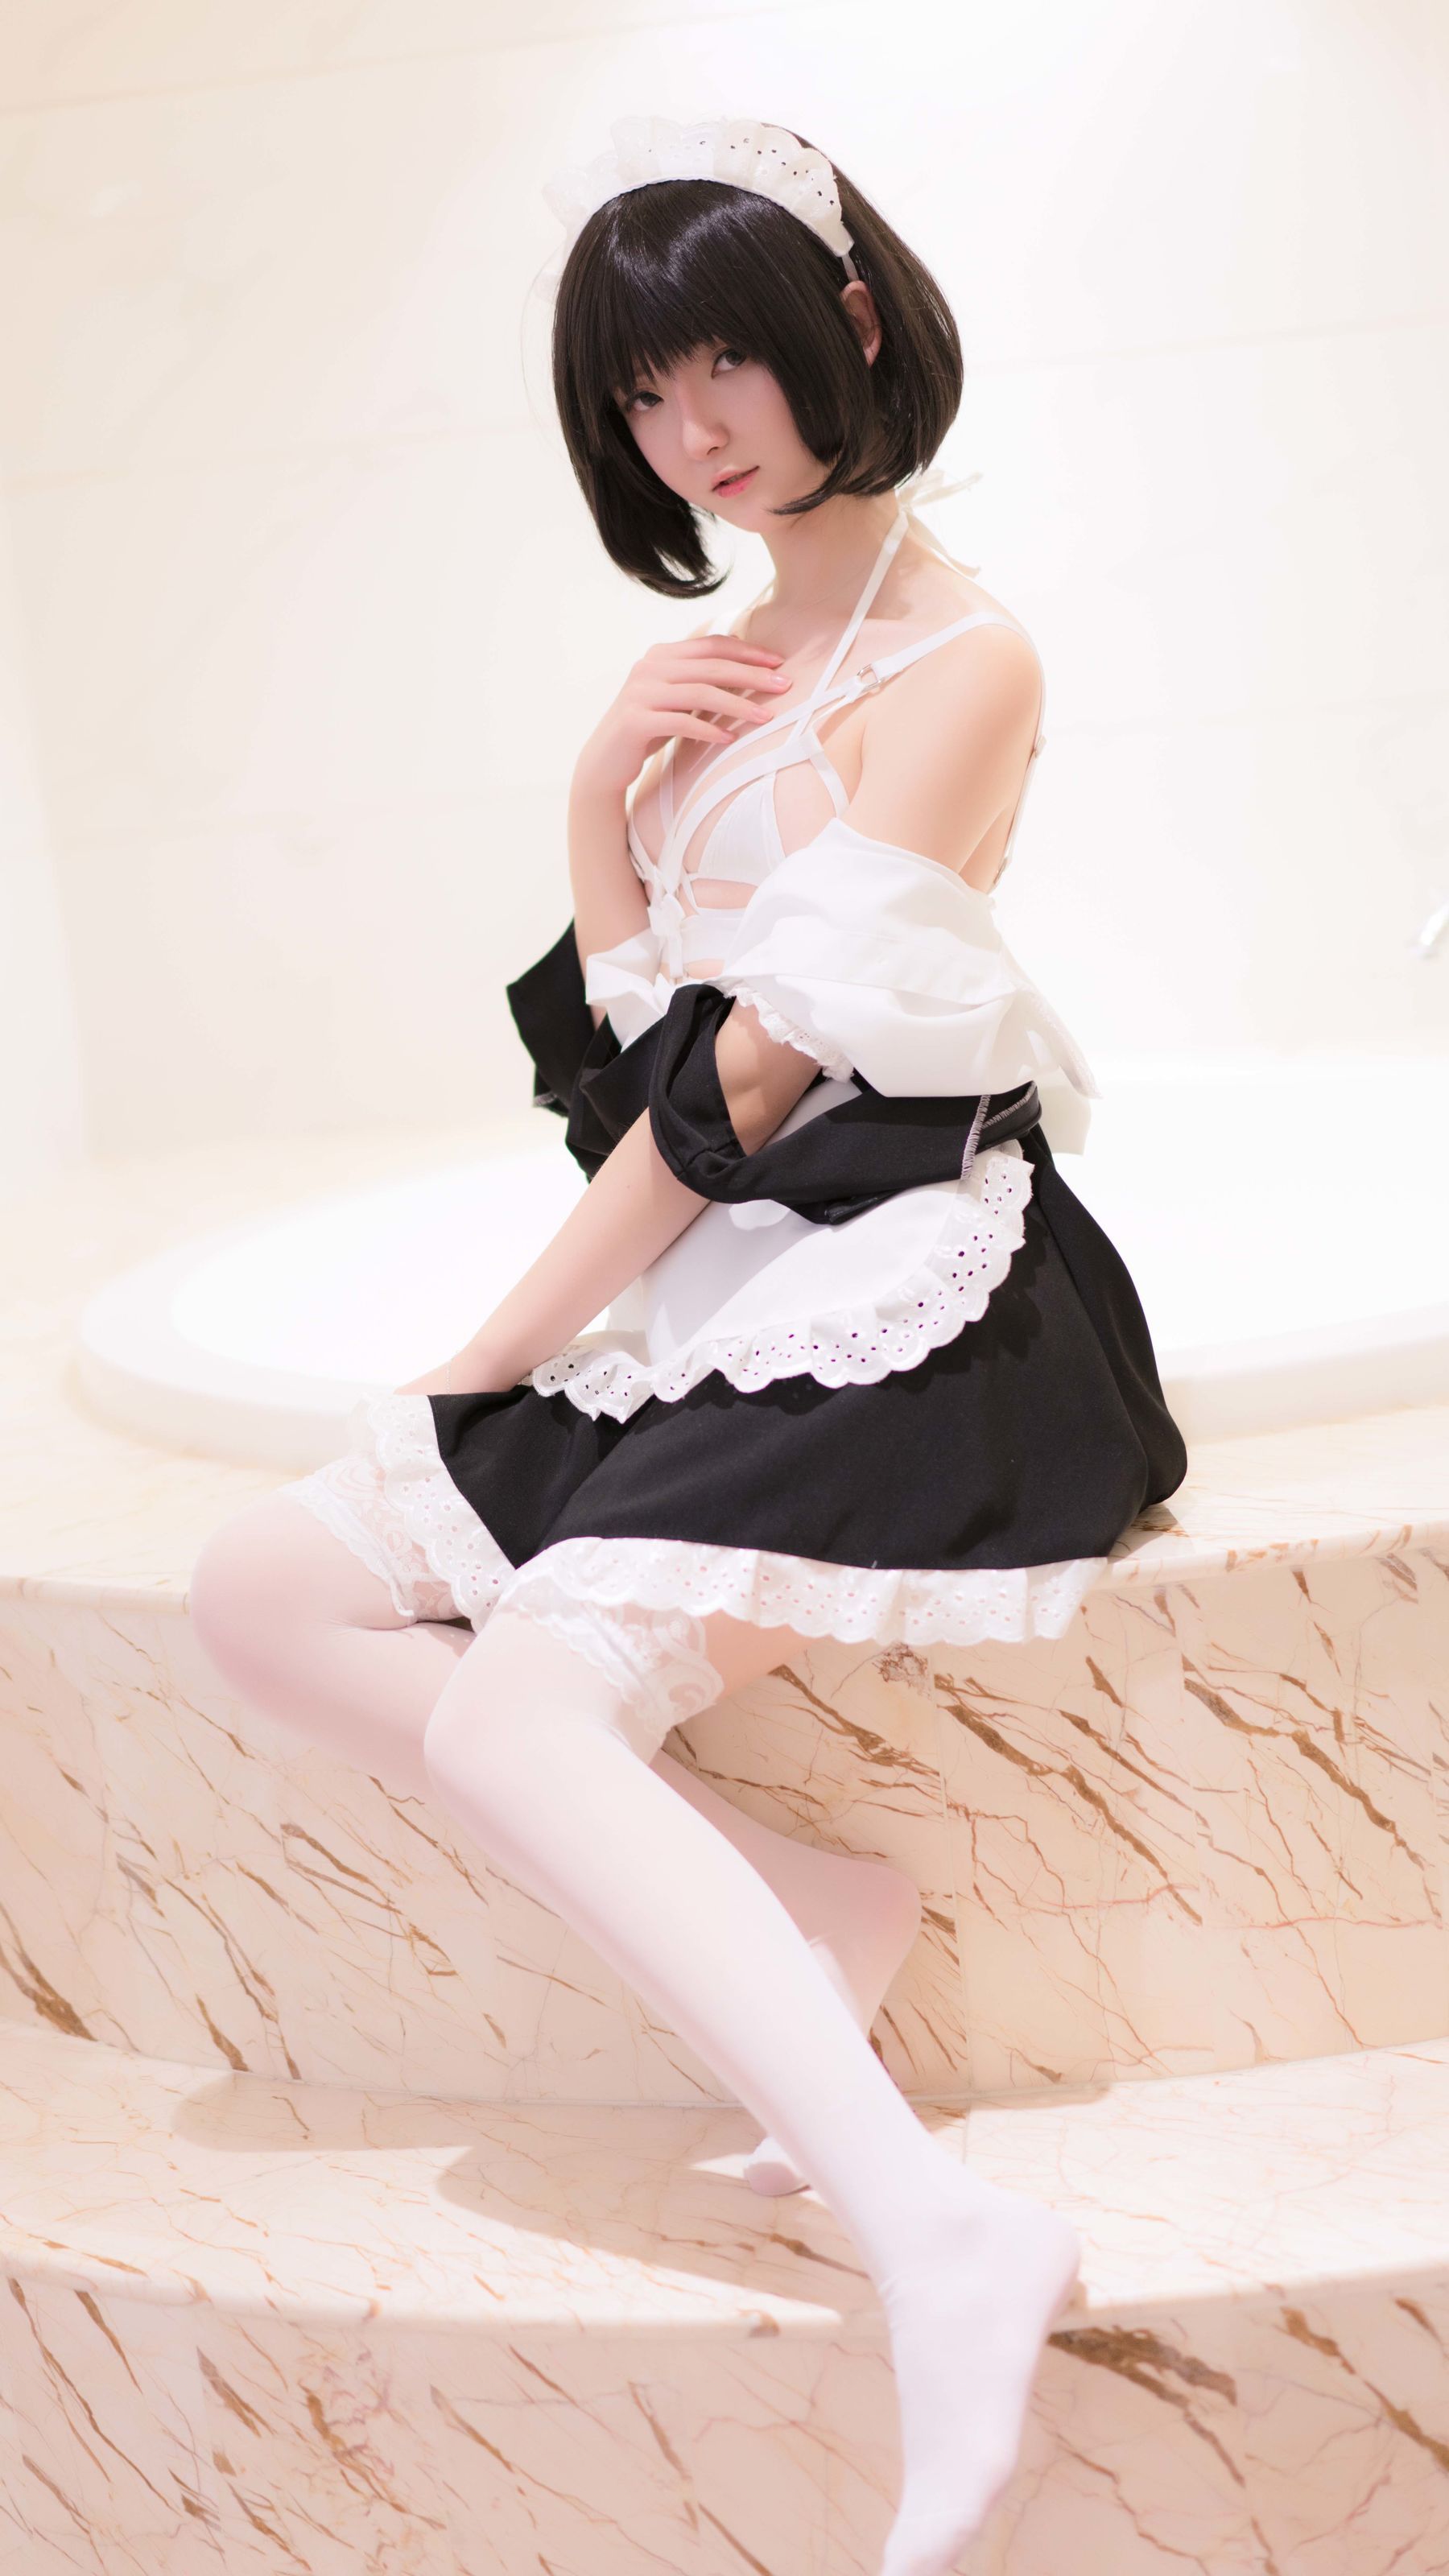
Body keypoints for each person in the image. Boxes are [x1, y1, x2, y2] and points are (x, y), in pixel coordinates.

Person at [188, 114, 1188, 2576]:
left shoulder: (966, 663)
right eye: (641, 396)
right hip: (736, 1279)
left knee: (520, 1699)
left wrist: (480, 1360)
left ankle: (943, 2240)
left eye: (722, 360)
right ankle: (819, 1919)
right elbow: (639, 1078)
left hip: (925, 1298)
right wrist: (595, 806)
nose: (692, 429)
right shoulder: (726, 675)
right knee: (261, 1596)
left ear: (846, 322)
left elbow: (750, 1093)